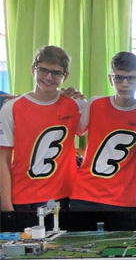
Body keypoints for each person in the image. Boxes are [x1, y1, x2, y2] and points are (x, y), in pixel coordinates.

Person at [0, 46, 83, 211]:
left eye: (56, 73)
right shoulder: (12, 108)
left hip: (64, 197)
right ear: (33, 69)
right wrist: (6, 206)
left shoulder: (76, 105)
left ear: (65, 75)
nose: (48, 77)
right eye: (43, 70)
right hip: (23, 198)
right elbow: (3, 159)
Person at [70, 52, 136, 210]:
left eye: (131, 78)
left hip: (122, 198)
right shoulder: (95, 104)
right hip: (85, 195)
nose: (125, 84)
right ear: (110, 79)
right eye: (118, 78)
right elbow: (77, 131)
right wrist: (69, 99)